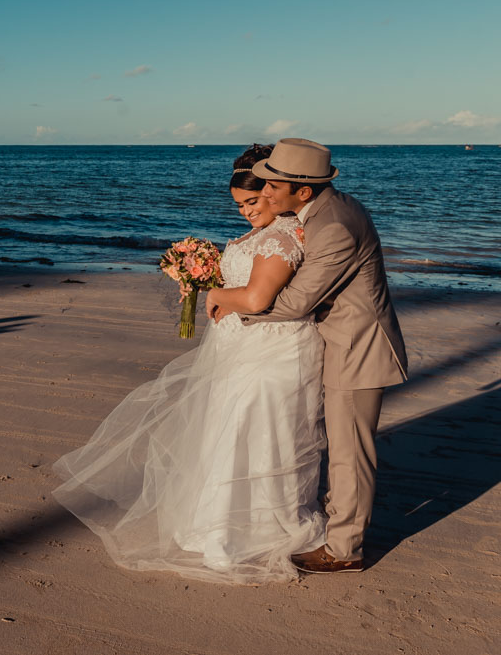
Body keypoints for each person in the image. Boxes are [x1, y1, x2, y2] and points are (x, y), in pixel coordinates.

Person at [52, 143, 327, 584]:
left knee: (256, 434)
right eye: (239, 205)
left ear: (276, 194)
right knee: (232, 434)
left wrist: (215, 294)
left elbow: (258, 298)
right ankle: (219, 525)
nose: (245, 212)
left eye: (253, 202)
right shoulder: (265, 233)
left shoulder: (279, 237)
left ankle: (239, 534)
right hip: (242, 349)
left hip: (270, 352)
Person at [216, 138, 407, 574]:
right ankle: (339, 530)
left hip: (355, 348)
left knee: (349, 454)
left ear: (303, 191)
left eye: (271, 187)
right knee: (339, 448)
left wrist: (233, 304)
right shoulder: (324, 210)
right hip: (339, 342)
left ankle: (344, 551)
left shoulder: (333, 226)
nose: (263, 194)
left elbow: (295, 304)